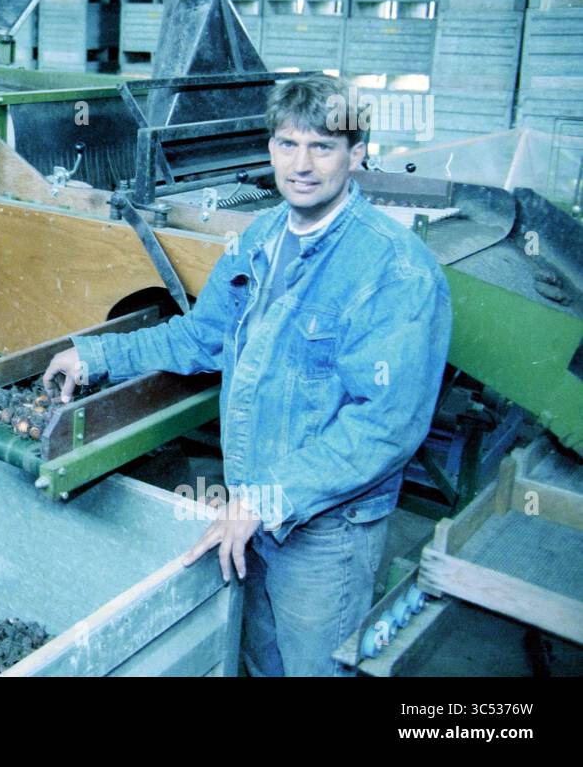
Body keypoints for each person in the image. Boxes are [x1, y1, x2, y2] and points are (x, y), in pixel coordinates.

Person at [42, 74, 451, 676]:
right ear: (269, 150)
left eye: (323, 146)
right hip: (248, 510)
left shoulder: (395, 270)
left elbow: (385, 426)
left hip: (324, 531)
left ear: (357, 155)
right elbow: (201, 336)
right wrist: (98, 356)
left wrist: (267, 498)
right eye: (288, 144)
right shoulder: (259, 240)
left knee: (315, 669)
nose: (302, 165)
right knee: (257, 659)